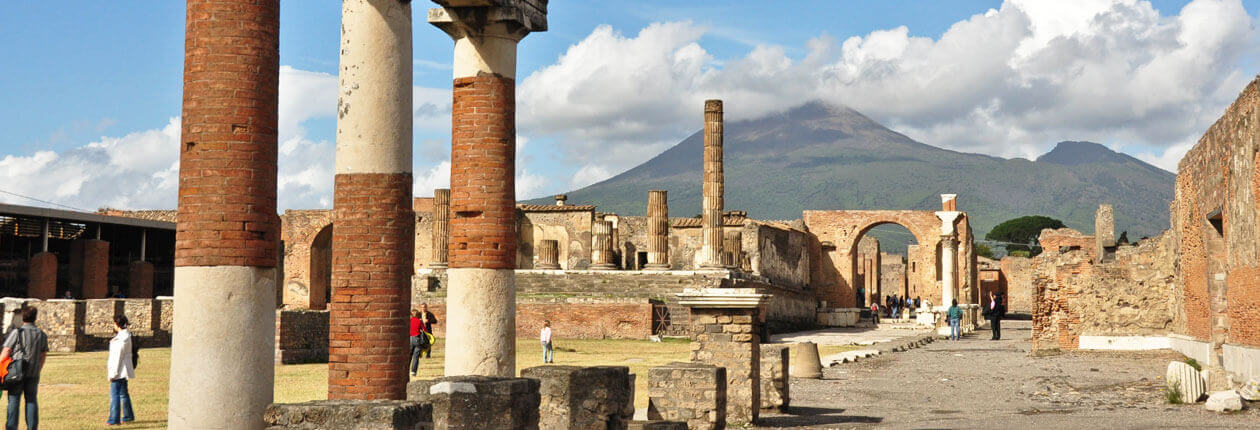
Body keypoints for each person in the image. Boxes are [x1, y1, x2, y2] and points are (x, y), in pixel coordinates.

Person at [0, 307, 48, 430]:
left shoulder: (17, 332)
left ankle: (12, 427)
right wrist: (38, 368)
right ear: (35, 318)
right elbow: (43, 355)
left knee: (14, 400)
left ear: (23, 317)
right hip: (33, 372)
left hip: (16, 372)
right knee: (31, 401)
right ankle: (32, 427)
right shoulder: (41, 334)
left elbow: (6, 351)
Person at [106, 315, 135, 426]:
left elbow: (117, 357)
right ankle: (128, 416)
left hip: (119, 370)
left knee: (115, 395)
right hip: (124, 369)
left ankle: (114, 418)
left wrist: (113, 373)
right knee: (123, 393)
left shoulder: (120, 339)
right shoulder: (126, 336)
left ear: (117, 324)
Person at [408, 309, 426, 377]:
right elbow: (424, 330)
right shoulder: (419, 321)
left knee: (409, 356)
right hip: (417, 339)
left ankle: (406, 369)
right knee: (416, 356)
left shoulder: (409, 320)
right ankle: (413, 371)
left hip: (410, 339)